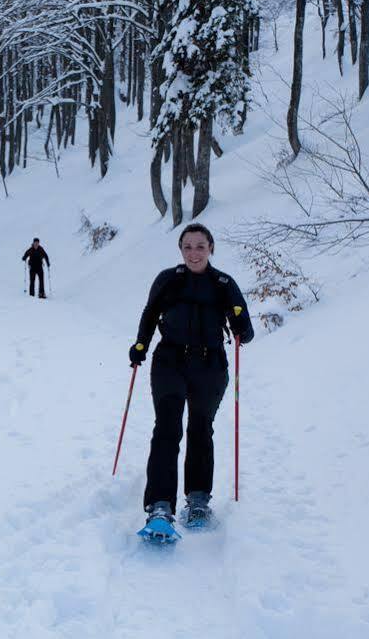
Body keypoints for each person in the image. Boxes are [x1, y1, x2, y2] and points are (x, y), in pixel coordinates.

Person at [128, 223, 254, 532]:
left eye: (200, 246)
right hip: (169, 361)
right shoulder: (168, 280)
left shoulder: (224, 283)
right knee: (167, 429)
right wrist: (140, 346)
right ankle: (160, 506)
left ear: (211, 248)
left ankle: (198, 500)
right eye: (187, 246)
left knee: (200, 428)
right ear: (180, 250)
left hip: (209, 365)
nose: (194, 252)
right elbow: (149, 314)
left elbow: (246, 332)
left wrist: (240, 328)